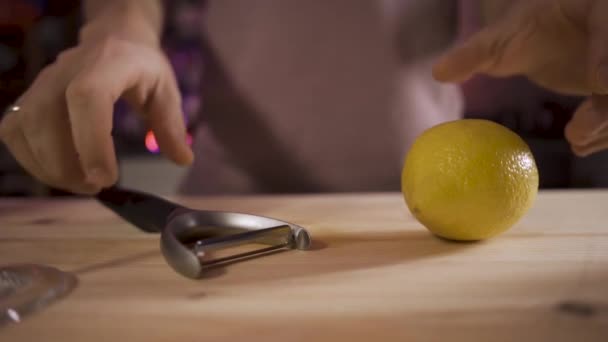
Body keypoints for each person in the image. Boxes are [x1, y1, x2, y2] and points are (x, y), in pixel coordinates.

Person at [1, 0, 607, 195]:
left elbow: (514, 14)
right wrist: (119, 30)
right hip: (225, 211)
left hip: (422, 221)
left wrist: (544, 20)